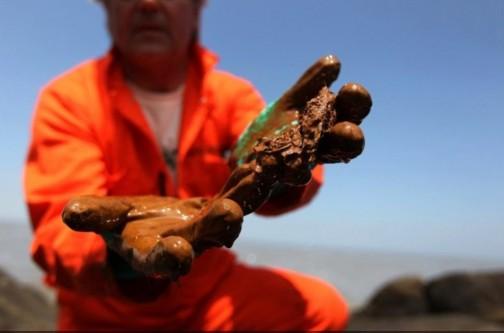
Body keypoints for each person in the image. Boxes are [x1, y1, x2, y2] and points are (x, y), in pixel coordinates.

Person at [24, 0, 350, 330]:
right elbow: (57, 226)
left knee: (323, 309)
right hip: (105, 311)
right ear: (106, 8)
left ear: (196, 9)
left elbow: (273, 148)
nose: (148, 4)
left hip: (208, 296)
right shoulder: (69, 99)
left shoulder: (230, 95)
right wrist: (118, 259)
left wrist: (280, 178)